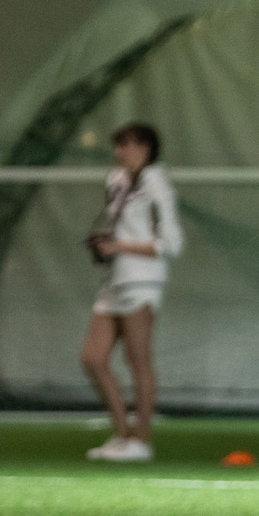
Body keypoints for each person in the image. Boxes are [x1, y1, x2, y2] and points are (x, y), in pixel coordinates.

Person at [81, 123, 183, 464]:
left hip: (143, 280)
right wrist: (105, 245)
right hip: (115, 279)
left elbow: (171, 243)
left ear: (143, 147)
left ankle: (142, 440)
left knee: (137, 359)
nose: (118, 153)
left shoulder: (157, 182)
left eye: (124, 145)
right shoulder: (116, 180)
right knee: (93, 358)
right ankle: (122, 433)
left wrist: (119, 246)